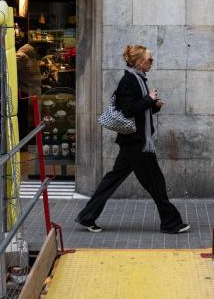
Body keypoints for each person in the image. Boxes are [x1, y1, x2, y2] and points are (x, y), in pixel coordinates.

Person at [75, 44, 189, 234]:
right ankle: (171, 223)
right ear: (139, 62)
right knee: (156, 183)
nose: (152, 63)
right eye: (149, 60)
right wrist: (149, 99)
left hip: (133, 142)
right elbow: (128, 110)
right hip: (136, 143)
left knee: (113, 180)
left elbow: (139, 110)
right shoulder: (129, 80)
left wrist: (154, 105)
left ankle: (87, 216)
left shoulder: (138, 79)